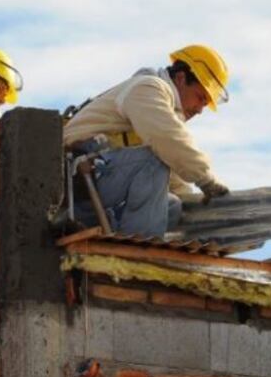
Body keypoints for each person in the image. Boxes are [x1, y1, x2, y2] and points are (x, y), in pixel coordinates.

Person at [63, 44, 231, 236]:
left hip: (102, 179)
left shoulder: (166, 109)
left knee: (174, 206)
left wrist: (193, 202)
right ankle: (140, 247)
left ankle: (120, 232)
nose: (200, 109)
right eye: (200, 97)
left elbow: (172, 166)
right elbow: (167, 140)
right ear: (181, 78)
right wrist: (207, 179)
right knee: (153, 160)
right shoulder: (148, 87)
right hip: (80, 179)